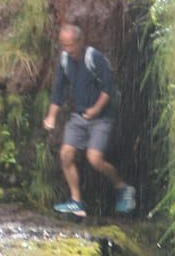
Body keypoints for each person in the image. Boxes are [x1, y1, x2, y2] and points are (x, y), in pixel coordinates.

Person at [42, 21, 136, 219]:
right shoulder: (64, 60)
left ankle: (122, 187)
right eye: (64, 45)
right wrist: (51, 116)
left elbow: (108, 89)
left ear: (80, 41)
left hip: (101, 117)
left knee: (94, 159)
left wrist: (95, 110)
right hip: (79, 116)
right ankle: (76, 202)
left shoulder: (93, 58)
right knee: (66, 154)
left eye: (71, 45)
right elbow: (58, 93)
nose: (68, 49)